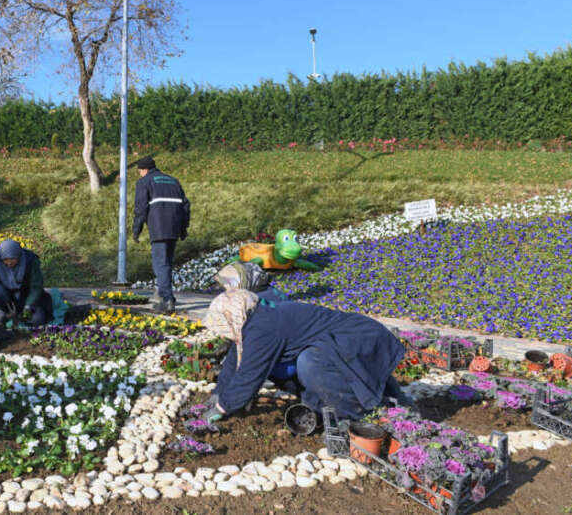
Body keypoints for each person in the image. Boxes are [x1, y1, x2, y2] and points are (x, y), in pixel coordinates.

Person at [199, 289, 410, 422]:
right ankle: (399, 406)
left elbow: (249, 375)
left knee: (311, 364)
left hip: (360, 340)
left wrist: (223, 407)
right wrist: (219, 393)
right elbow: (237, 358)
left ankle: (363, 417)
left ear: (232, 317)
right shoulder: (253, 317)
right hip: (349, 340)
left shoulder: (262, 329)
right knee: (308, 362)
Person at [132, 156, 190, 314]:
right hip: (174, 228)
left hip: (158, 229)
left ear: (144, 170)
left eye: (139, 171)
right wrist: (183, 228)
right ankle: (167, 295)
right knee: (167, 264)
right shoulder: (173, 181)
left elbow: (140, 209)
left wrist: (136, 230)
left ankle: (167, 299)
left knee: (160, 264)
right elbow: (185, 205)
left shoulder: (144, 182)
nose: (140, 174)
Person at [0, 239, 52, 327]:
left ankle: (23, 313)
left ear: (18, 255)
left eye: (12, 259)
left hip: (27, 295)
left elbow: (36, 287)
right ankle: (7, 313)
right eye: (5, 259)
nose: (9, 262)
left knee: (37, 320)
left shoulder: (30, 260)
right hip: (8, 298)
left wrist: (28, 305)